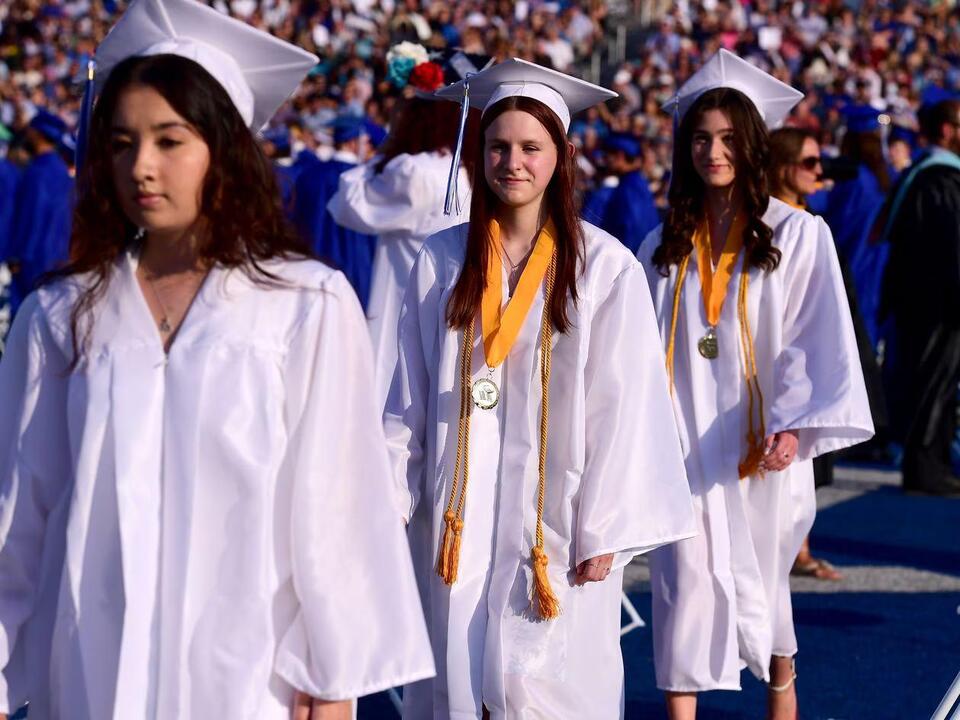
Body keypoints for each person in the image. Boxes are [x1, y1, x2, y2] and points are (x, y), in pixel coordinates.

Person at [0, 1, 434, 718]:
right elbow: (21, 514)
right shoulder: (63, 315)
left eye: (171, 140)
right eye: (120, 142)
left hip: (249, 674)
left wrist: (331, 680)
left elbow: (335, 506)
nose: (141, 166)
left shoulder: (304, 305)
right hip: (91, 669)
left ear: (224, 150)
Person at [386, 58, 696, 718]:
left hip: (557, 525)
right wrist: (385, 501)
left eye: (531, 147)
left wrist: (607, 525)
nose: (513, 163)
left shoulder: (603, 266)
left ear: (562, 155)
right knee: (459, 682)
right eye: (498, 147)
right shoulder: (440, 261)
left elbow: (625, 406)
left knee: (548, 688)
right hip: (456, 517)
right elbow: (405, 399)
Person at [638, 50, 874, 720]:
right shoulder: (663, 243)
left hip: (760, 444)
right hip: (682, 444)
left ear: (753, 146)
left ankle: (782, 690)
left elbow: (811, 335)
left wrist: (794, 424)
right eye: (701, 138)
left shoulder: (799, 234)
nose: (714, 151)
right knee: (679, 585)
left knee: (766, 584)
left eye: (729, 139)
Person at [328, 46, 482, 410]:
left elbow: (349, 201)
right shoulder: (470, 174)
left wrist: (386, 151)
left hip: (402, 306)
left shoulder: (412, 172)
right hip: (454, 305)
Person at [880, 98, 960, 496]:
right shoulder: (939, 178)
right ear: (946, 129)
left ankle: (930, 464)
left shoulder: (923, 173)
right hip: (937, 304)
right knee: (934, 384)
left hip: (921, 300)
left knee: (929, 382)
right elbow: (953, 248)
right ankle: (927, 468)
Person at [822, 105, 892, 347]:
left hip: (854, 265)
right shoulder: (882, 176)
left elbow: (837, 228)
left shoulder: (855, 181)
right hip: (876, 267)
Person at [291, 115, 377, 308]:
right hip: (357, 267)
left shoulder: (308, 175)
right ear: (352, 142)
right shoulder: (365, 179)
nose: (367, 146)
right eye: (364, 141)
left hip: (315, 263)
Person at [6, 109, 74, 315]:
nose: (26, 135)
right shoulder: (60, 170)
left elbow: (31, 220)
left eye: (30, 130)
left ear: (38, 134)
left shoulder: (38, 173)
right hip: (58, 257)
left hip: (33, 260)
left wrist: (17, 256)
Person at [584, 132, 660, 255]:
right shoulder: (636, 184)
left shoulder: (628, 190)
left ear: (620, 156)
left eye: (607, 155)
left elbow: (630, 234)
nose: (605, 160)